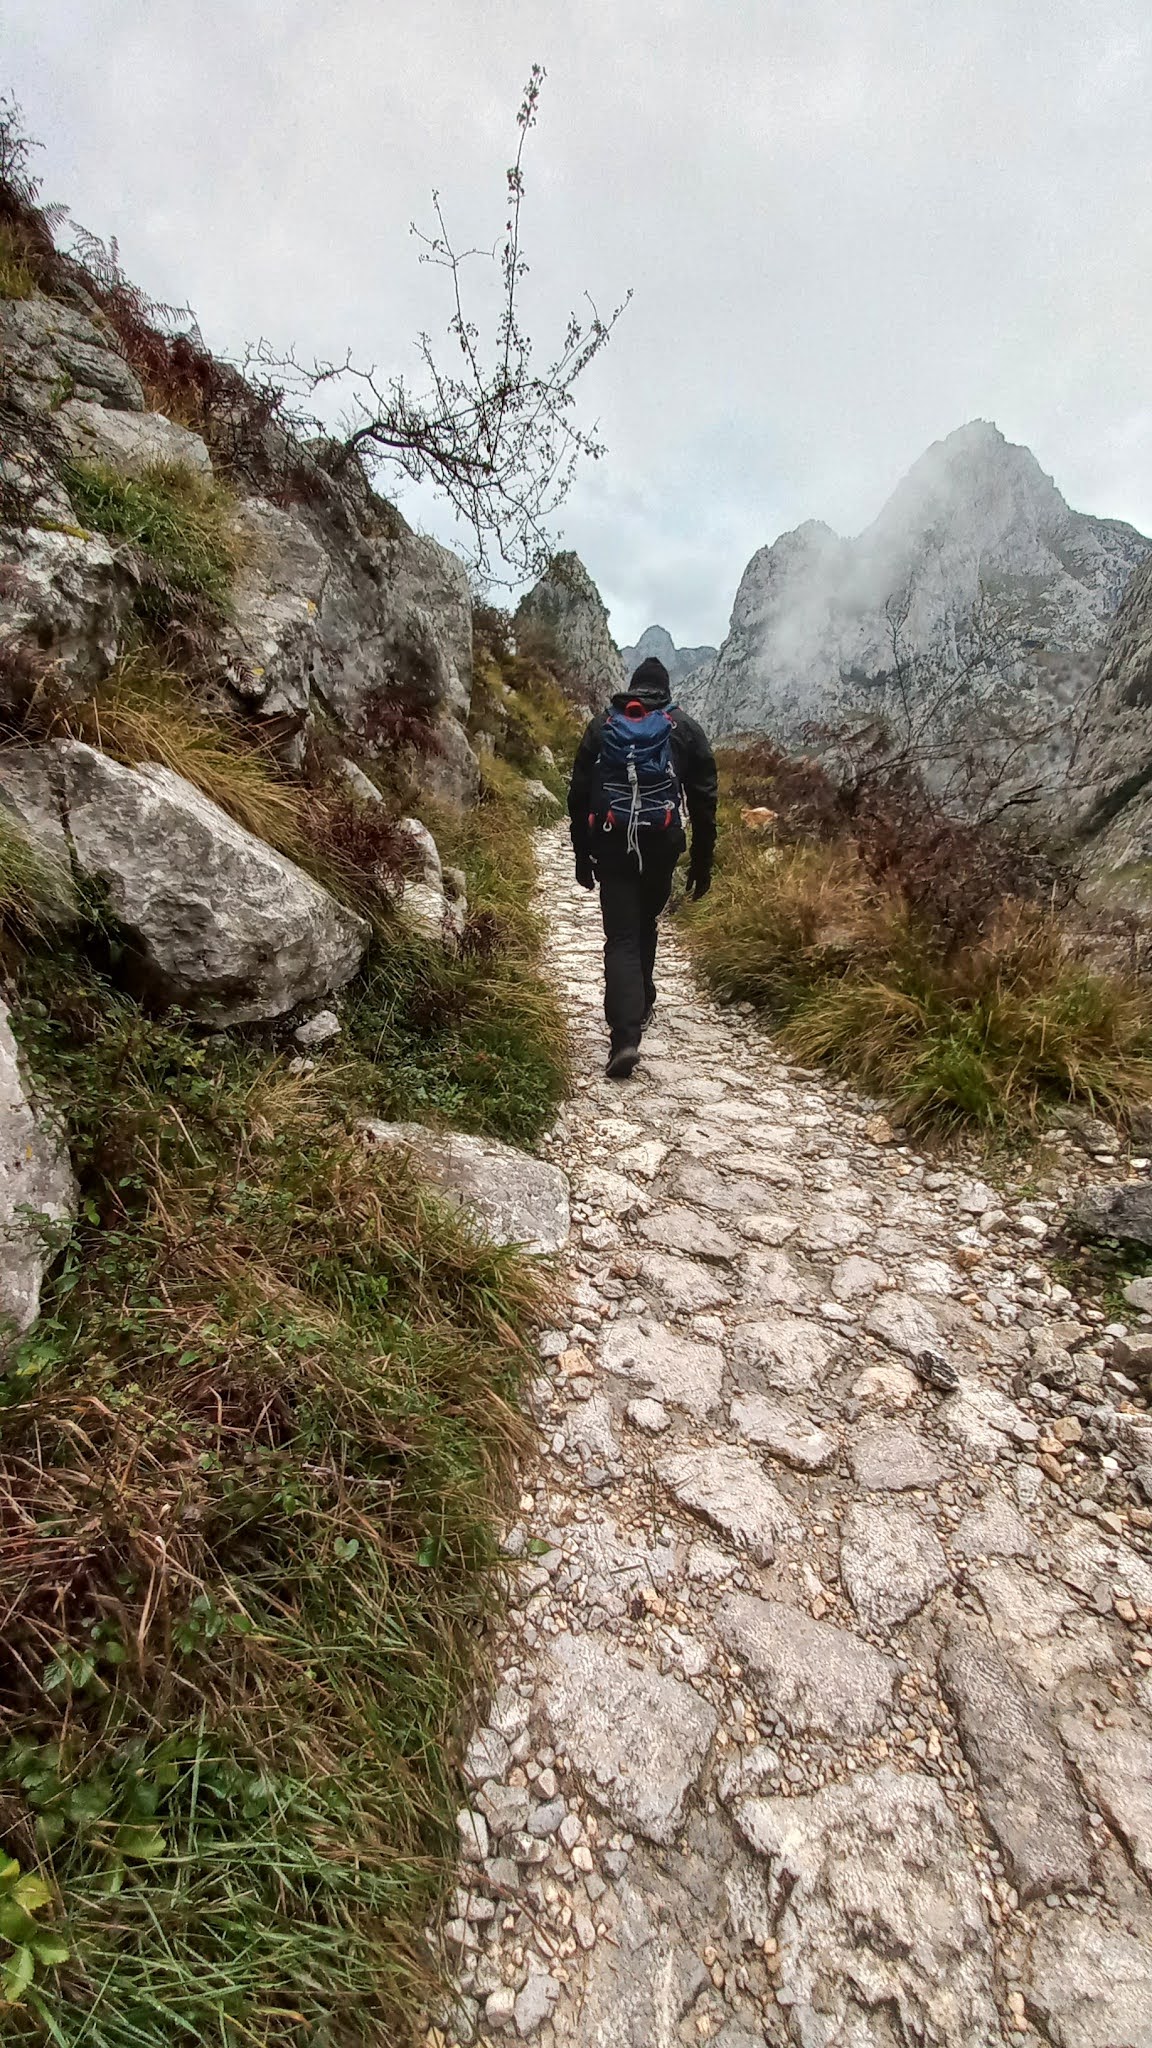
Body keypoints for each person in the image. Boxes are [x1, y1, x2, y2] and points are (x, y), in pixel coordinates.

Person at [567, 654, 717, 1078]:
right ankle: (643, 1000)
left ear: (633, 688)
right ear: (666, 691)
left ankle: (625, 1037)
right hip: (661, 845)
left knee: (621, 936)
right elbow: (704, 801)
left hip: (613, 842)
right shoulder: (683, 728)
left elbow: (578, 795)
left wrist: (582, 854)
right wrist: (702, 861)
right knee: (645, 921)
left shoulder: (604, 726)